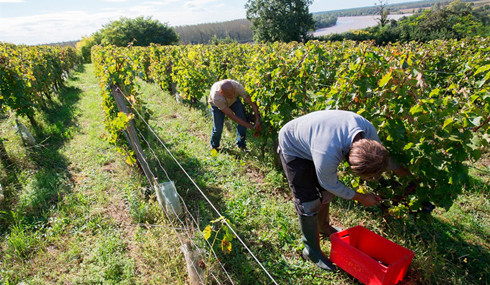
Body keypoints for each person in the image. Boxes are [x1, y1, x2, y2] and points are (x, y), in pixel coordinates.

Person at [277, 110, 411, 271]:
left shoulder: (368, 132)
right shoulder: (327, 152)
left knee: (326, 195)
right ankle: (311, 250)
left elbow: (386, 161)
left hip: (315, 138)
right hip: (293, 145)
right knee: (309, 202)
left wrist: (409, 177)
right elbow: (329, 183)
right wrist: (361, 197)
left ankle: (323, 226)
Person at [208, 79, 261, 151]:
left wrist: (257, 119)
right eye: (230, 95)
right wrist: (251, 126)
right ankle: (214, 146)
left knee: (242, 119)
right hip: (217, 106)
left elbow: (252, 103)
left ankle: (241, 145)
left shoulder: (237, 87)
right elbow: (232, 116)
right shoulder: (217, 97)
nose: (233, 95)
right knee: (218, 128)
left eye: (233, 93)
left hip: (234, 102)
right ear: (222, 92)